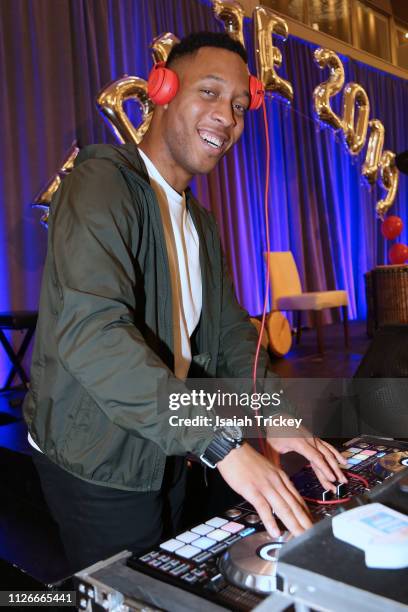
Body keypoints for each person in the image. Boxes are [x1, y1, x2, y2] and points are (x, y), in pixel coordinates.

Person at [24, 32, 346, 573]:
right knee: (135, 592)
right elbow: (95, 336)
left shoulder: (199, 220)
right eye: (211, 92)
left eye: (240, 105)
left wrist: (274, 414)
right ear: (162, 89)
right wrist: (221, 444)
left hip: (169, 439)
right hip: (98, 455)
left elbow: (231, 336)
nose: (228, 115)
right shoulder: (101, 182)